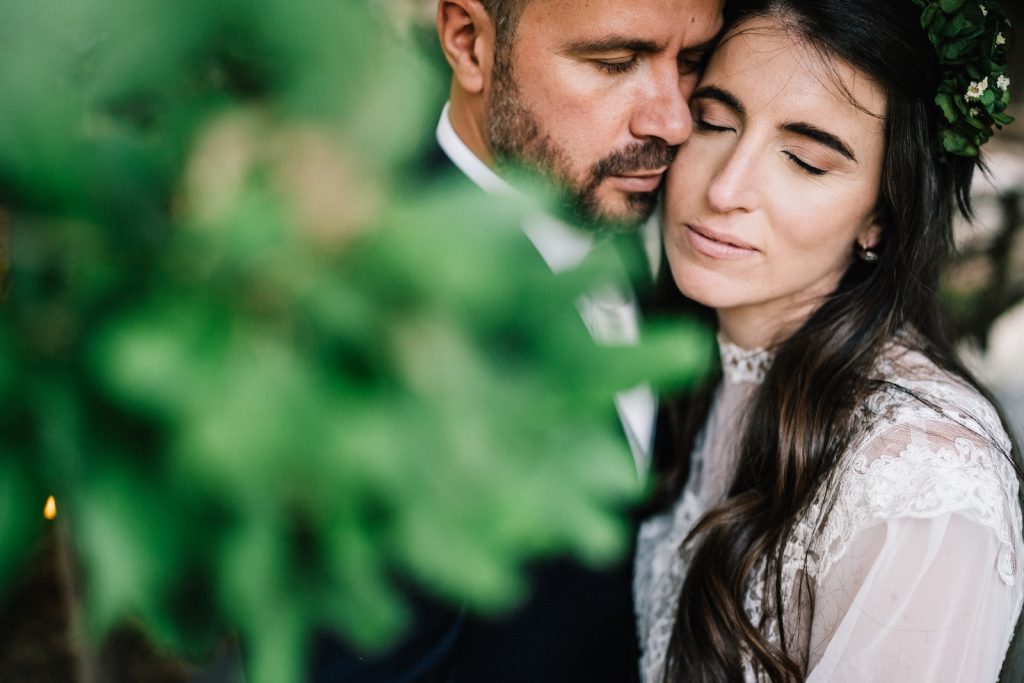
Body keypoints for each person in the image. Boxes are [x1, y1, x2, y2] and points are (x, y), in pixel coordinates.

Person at [310, 1, 724, 681]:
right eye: (615, 62)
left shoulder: (664, 229)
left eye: (692, 61)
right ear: (469, 42)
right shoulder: (382, 332)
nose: (674, 121)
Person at [635, 0, 1023, 681]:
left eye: (806, 161)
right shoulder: (670, 360)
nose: (725, 189)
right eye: (713, 122)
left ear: (881, 216)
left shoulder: (921, 485)